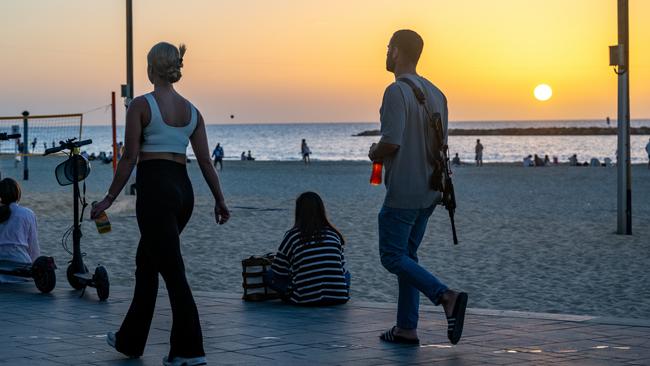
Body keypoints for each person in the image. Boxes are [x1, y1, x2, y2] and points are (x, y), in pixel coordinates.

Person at [90, 42, 230, 366]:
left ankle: (189, 350)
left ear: (151, 68)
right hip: (184, 191)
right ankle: (130, 341)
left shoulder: (141, 105)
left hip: (155, 190)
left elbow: (128, 158)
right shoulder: (193, 111)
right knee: (147, 263)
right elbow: (206, 162)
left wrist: (109, 198)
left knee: (173, 271)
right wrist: (220, 200)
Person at [368, 29, 467, 346]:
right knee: (408, 256)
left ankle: (446, 297)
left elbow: (392, 141)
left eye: (387, 48)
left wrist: (374, 152)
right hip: (430, 191)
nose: (385, 53)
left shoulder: (395, 91)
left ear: (396, 51)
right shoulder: (438, 93)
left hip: (404, 192)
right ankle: (406, 328)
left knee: (392, 257)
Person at [266, 192, 350, 305]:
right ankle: (335, 292)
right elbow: (342, 270)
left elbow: (278, 272)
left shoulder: (292, 236)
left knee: (269, 275)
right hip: (339, 297)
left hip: (305, 299)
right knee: (347, 274)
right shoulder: (333, 235)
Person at [0, 178, 39, 284]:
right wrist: (36, 267)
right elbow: (33, 246)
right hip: (22, 267)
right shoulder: (28, 214)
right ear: (18, 193)